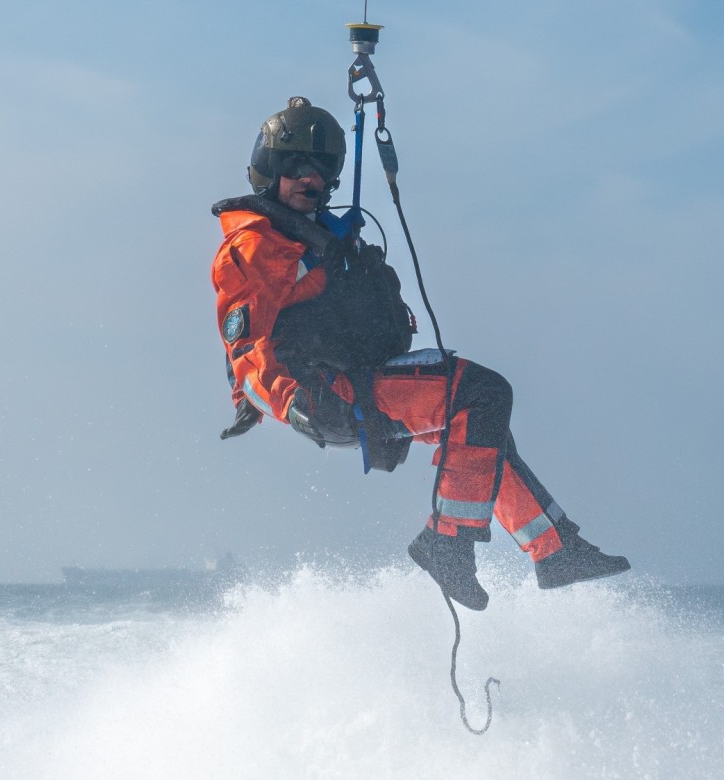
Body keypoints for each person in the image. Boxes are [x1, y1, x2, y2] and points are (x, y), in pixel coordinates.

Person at [211, 97, 629, 610]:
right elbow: (246, 351)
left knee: (481, 427)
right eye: (294, 165)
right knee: (482, 392)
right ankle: (447, 544)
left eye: (320, 169)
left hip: (363, 374)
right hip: (325, 392)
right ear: (268, 170)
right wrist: (288, 404)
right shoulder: (254, 246)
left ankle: (554, 549)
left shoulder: (319, 237)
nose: (308, 177)